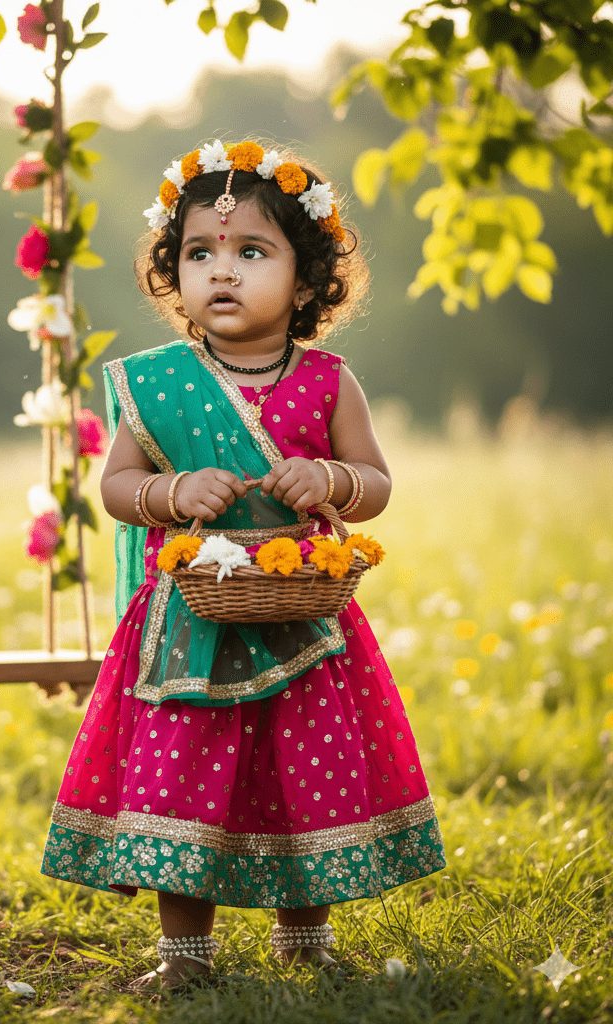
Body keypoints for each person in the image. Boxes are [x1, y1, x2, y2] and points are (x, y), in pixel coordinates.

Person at [39, 138, 447, 993]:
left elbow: (375, 484)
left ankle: (307, 943)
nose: (221, 272)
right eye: (200, 253)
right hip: (189, 622)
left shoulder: (330, 381)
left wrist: (330, 477)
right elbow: (116, 485)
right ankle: (182, 957)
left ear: (305, 282)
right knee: (182, 776)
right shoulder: (160, 384)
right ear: (175, 272)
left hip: (304, 613)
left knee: (307, 770)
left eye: (251, 252)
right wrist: (172, 490)